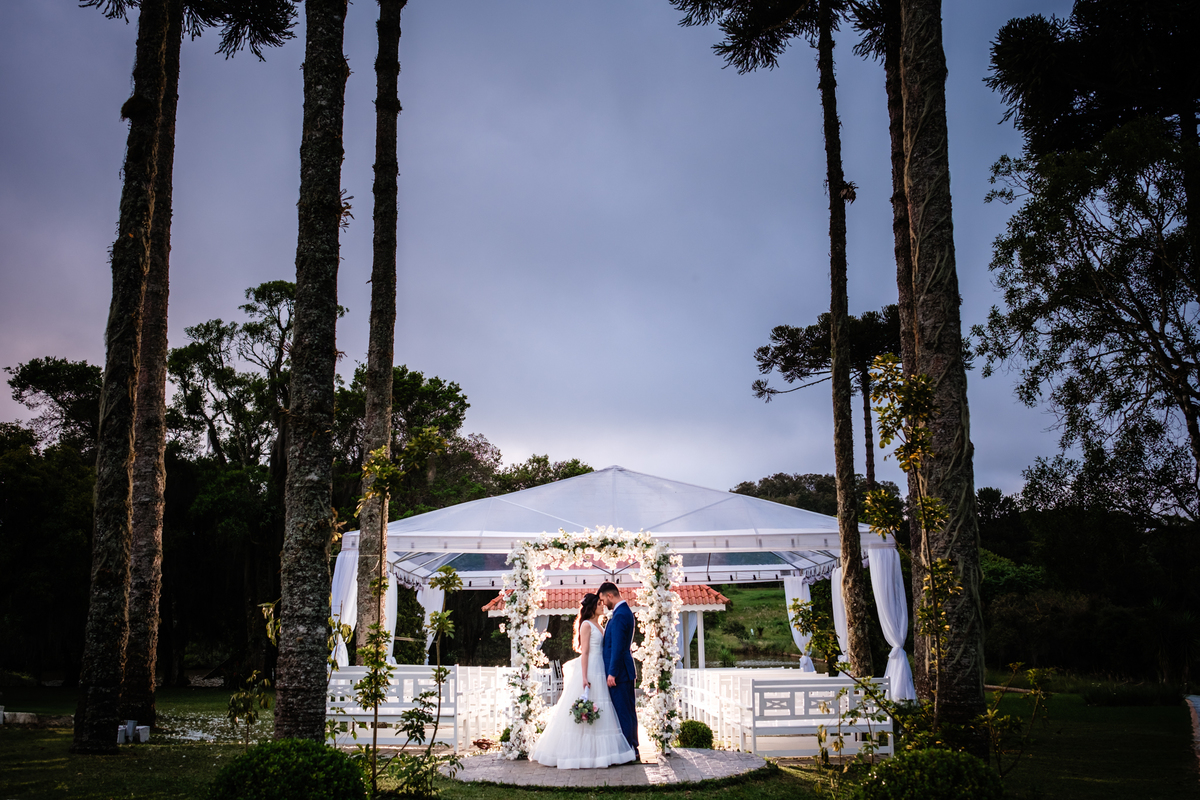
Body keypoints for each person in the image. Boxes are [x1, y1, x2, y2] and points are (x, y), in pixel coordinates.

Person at [530, 592, 637, 769]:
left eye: (603, 603)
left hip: (600, 668)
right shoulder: (586, 625)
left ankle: (599, 752)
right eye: (599, 604)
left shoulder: (600, 624)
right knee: (588, 703)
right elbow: (585, 652)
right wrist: (585, 676)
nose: (602, 606)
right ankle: (580, 751)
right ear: (592, 607)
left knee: (603, 706)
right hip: (590, 668)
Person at [599, 581, 639, 762]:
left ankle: (629, 749)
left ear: (610, 596)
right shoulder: (623, 612)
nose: (603, 604)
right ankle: (633, 747)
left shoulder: (621, 615)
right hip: (624, 671)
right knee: (628, 710)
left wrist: (612, 673)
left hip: (620, 673)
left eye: (603, 600)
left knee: (624, 711)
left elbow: (617, 647)